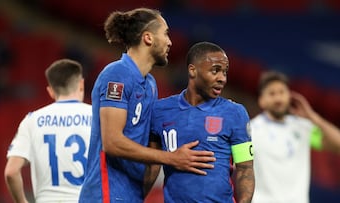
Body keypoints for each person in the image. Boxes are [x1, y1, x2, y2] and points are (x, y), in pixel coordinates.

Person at [79, 8, 215, 203]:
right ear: (148, 38)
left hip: (132, 194)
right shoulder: (117, 74)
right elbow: (112, 142)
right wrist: (172, 158)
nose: (170, 42)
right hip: (105, 194)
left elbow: (150, 139)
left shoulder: (150, 84)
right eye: (166, 33)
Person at [150, 41, 255, 203]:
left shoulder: (235, 113)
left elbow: (245, 168)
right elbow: (152, 166)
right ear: (193, 70)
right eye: (215, 71)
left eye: (225, 72)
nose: (222, 79)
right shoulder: (160, 111)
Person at [4, 59, 92, 202]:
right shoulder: (97, 116)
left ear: (50, 91)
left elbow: (11, 172)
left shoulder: (32, 120)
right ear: (81, 84)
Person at [251, 71, 340, 203]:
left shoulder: (303, 128)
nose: (278, 98)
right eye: (272, 93)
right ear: (262, 101)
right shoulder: (251, 130)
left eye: (282, 92)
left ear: (289, 96)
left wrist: (313, 117)